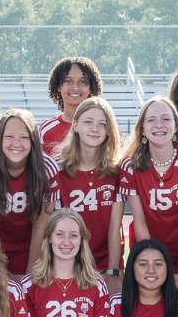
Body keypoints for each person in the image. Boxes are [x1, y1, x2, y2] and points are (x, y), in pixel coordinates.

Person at [119, 96, 178, 291]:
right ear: (142, 129)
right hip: (146, 249)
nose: (159, 125)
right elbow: (140, 220)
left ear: (176, 126)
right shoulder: (130, 165)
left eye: (166, 119)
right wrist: (152, 265)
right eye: (151, 120)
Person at [0, 108, 58, 277]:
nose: (16, 143)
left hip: (31, 247)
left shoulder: (47, 169)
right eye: (9, 137)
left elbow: (41, 224)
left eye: (24, 137)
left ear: (33, 141)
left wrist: (30, 274)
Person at [51, 97, 125, 287]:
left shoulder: (116, 171)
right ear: (75, 125)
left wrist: (113, 271)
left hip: (105, 264)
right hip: (67, 263)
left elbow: (115, 226)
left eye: (102, 124)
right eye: (88, 122)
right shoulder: (56, 169)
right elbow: (51, 226)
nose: (95, 129)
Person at [40, 56, 102, 154]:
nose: (75, 87)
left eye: (83, 82)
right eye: (68, 81)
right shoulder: (47, 130)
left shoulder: (105, 127)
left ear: (90, 87)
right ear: (58, 86)